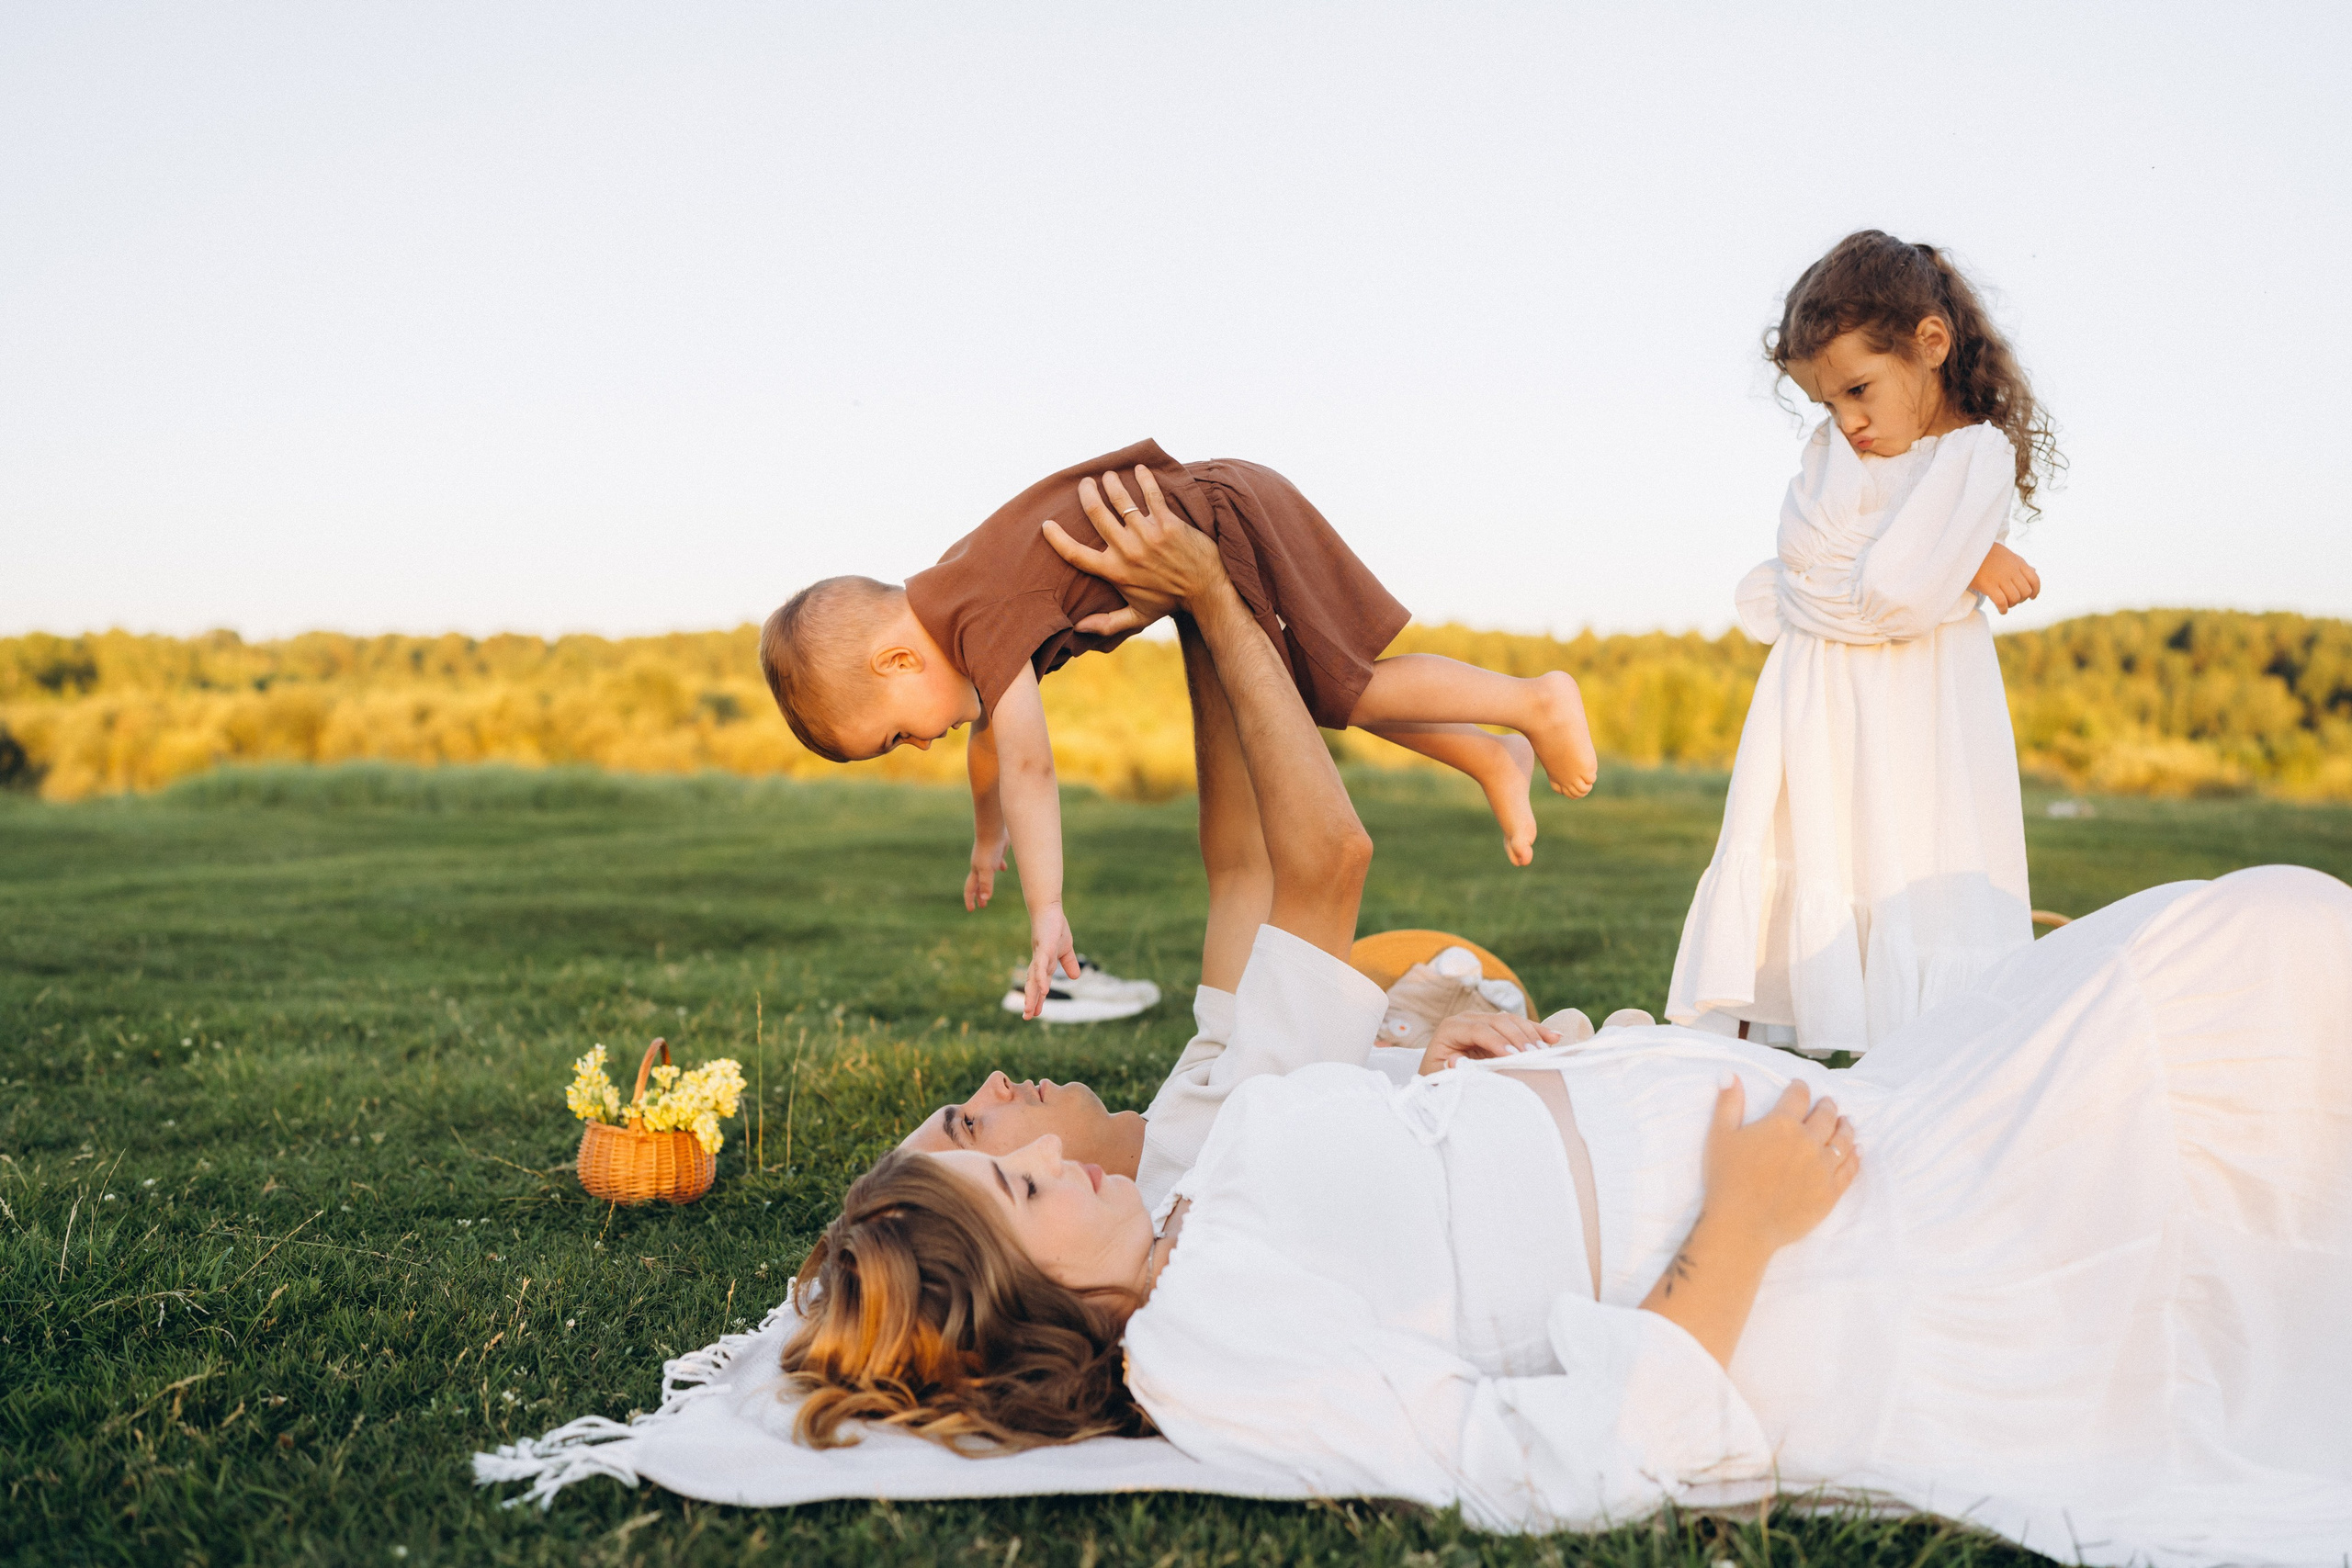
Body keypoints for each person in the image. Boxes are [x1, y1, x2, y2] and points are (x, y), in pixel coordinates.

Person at [781, 498, 2352, 1568]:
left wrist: (1443, 1035)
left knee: (2248, 946)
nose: (1017, 1118)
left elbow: (1300, 887)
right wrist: (1736, 1228)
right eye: (1013, 1173)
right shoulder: (1209, 1350)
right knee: (2250, 973)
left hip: (1838, 1120)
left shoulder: (1201, 1195)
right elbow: (1557, 1461)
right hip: (1834, 1240)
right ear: (1033, 1297)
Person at [756, 440, 1600, 1017]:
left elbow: (1028, 765)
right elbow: (988, 750)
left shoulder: (979, 610)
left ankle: (1531, 703)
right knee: (1306, 699)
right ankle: (1490, 754)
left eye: (896, 737)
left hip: (1218, 518)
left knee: (1333, 690)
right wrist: (986, 841)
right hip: (1207, 509)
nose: (919, 745)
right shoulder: (955, 602)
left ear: (897, 663)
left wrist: (1046, 910)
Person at [1667, 231, 2062, 1056]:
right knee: (1810, 854)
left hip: (1924, 705)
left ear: (1930, 343)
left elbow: (1894, 593)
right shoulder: (1831, 453)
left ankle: (1921, 1080)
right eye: (1827, 403)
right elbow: (1806, 556)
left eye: (1858, 390)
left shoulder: (1974, 455)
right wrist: (1958, 558)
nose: (1846, 422)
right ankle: (1744, 1072)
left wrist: (1937, 564)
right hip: (1816, 706)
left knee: (1913, 863)